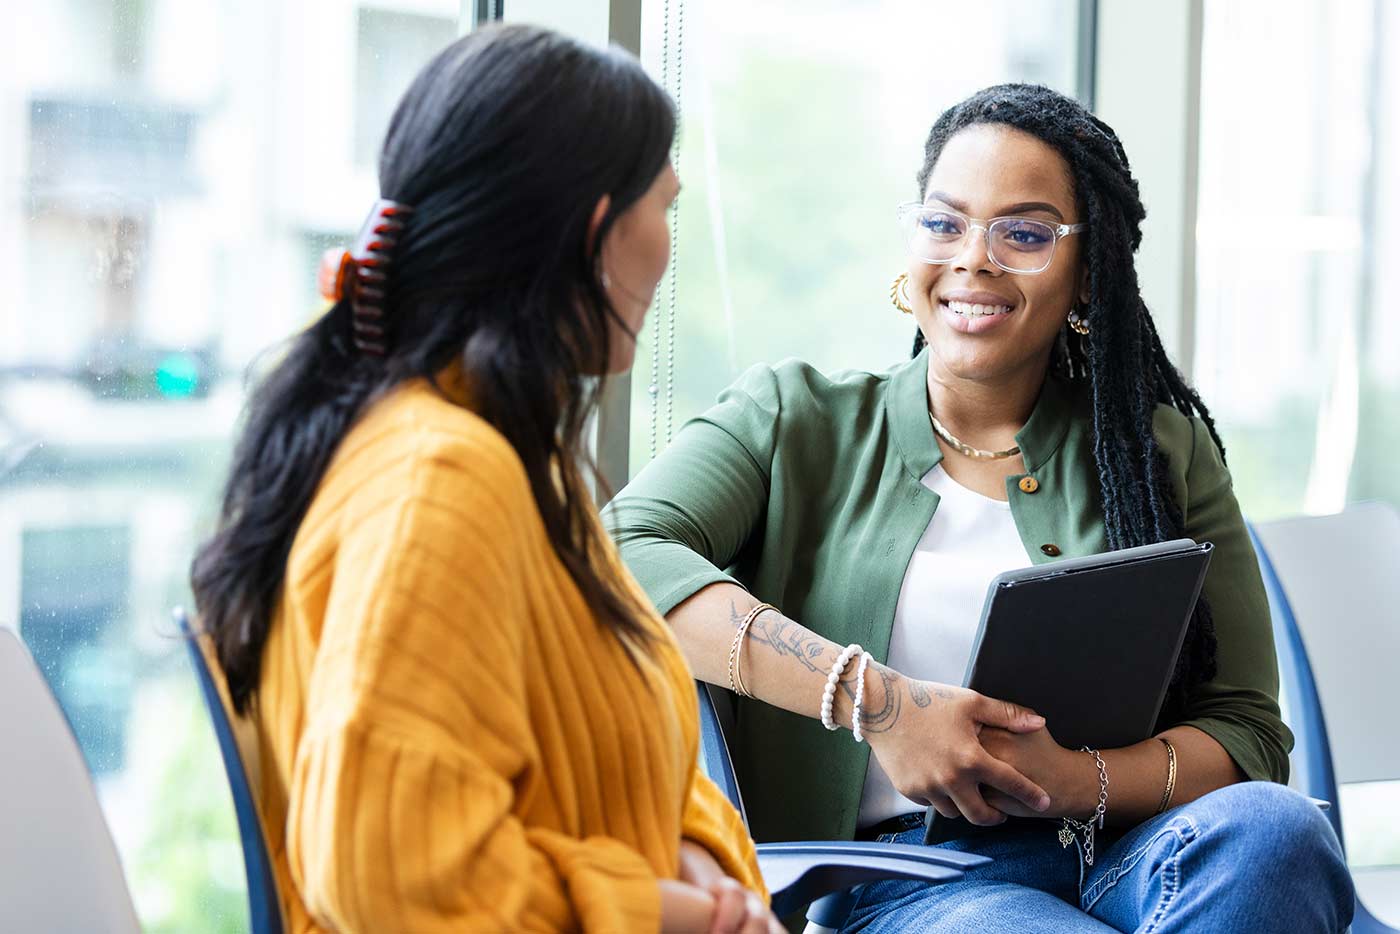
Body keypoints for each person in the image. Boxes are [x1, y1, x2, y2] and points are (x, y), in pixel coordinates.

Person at [604, 83, 1354, 932]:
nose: (974, 258)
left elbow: (1249, 732)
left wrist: (1075, 780)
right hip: (914, 882)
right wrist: (877, 702)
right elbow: (616, 548)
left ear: (1086, 276)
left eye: (1025, 234)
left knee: (1277, 833)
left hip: (1132, 852)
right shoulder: (793, 418)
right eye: (944, 222)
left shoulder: (1160, 450)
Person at [190, 23, 782, 934]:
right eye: (664, 205)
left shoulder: (502, 461)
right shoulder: (441, 480)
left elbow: (638, 771)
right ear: (596, 231)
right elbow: (393, 873)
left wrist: (700, 864)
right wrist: (670, 913)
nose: (669, 246)